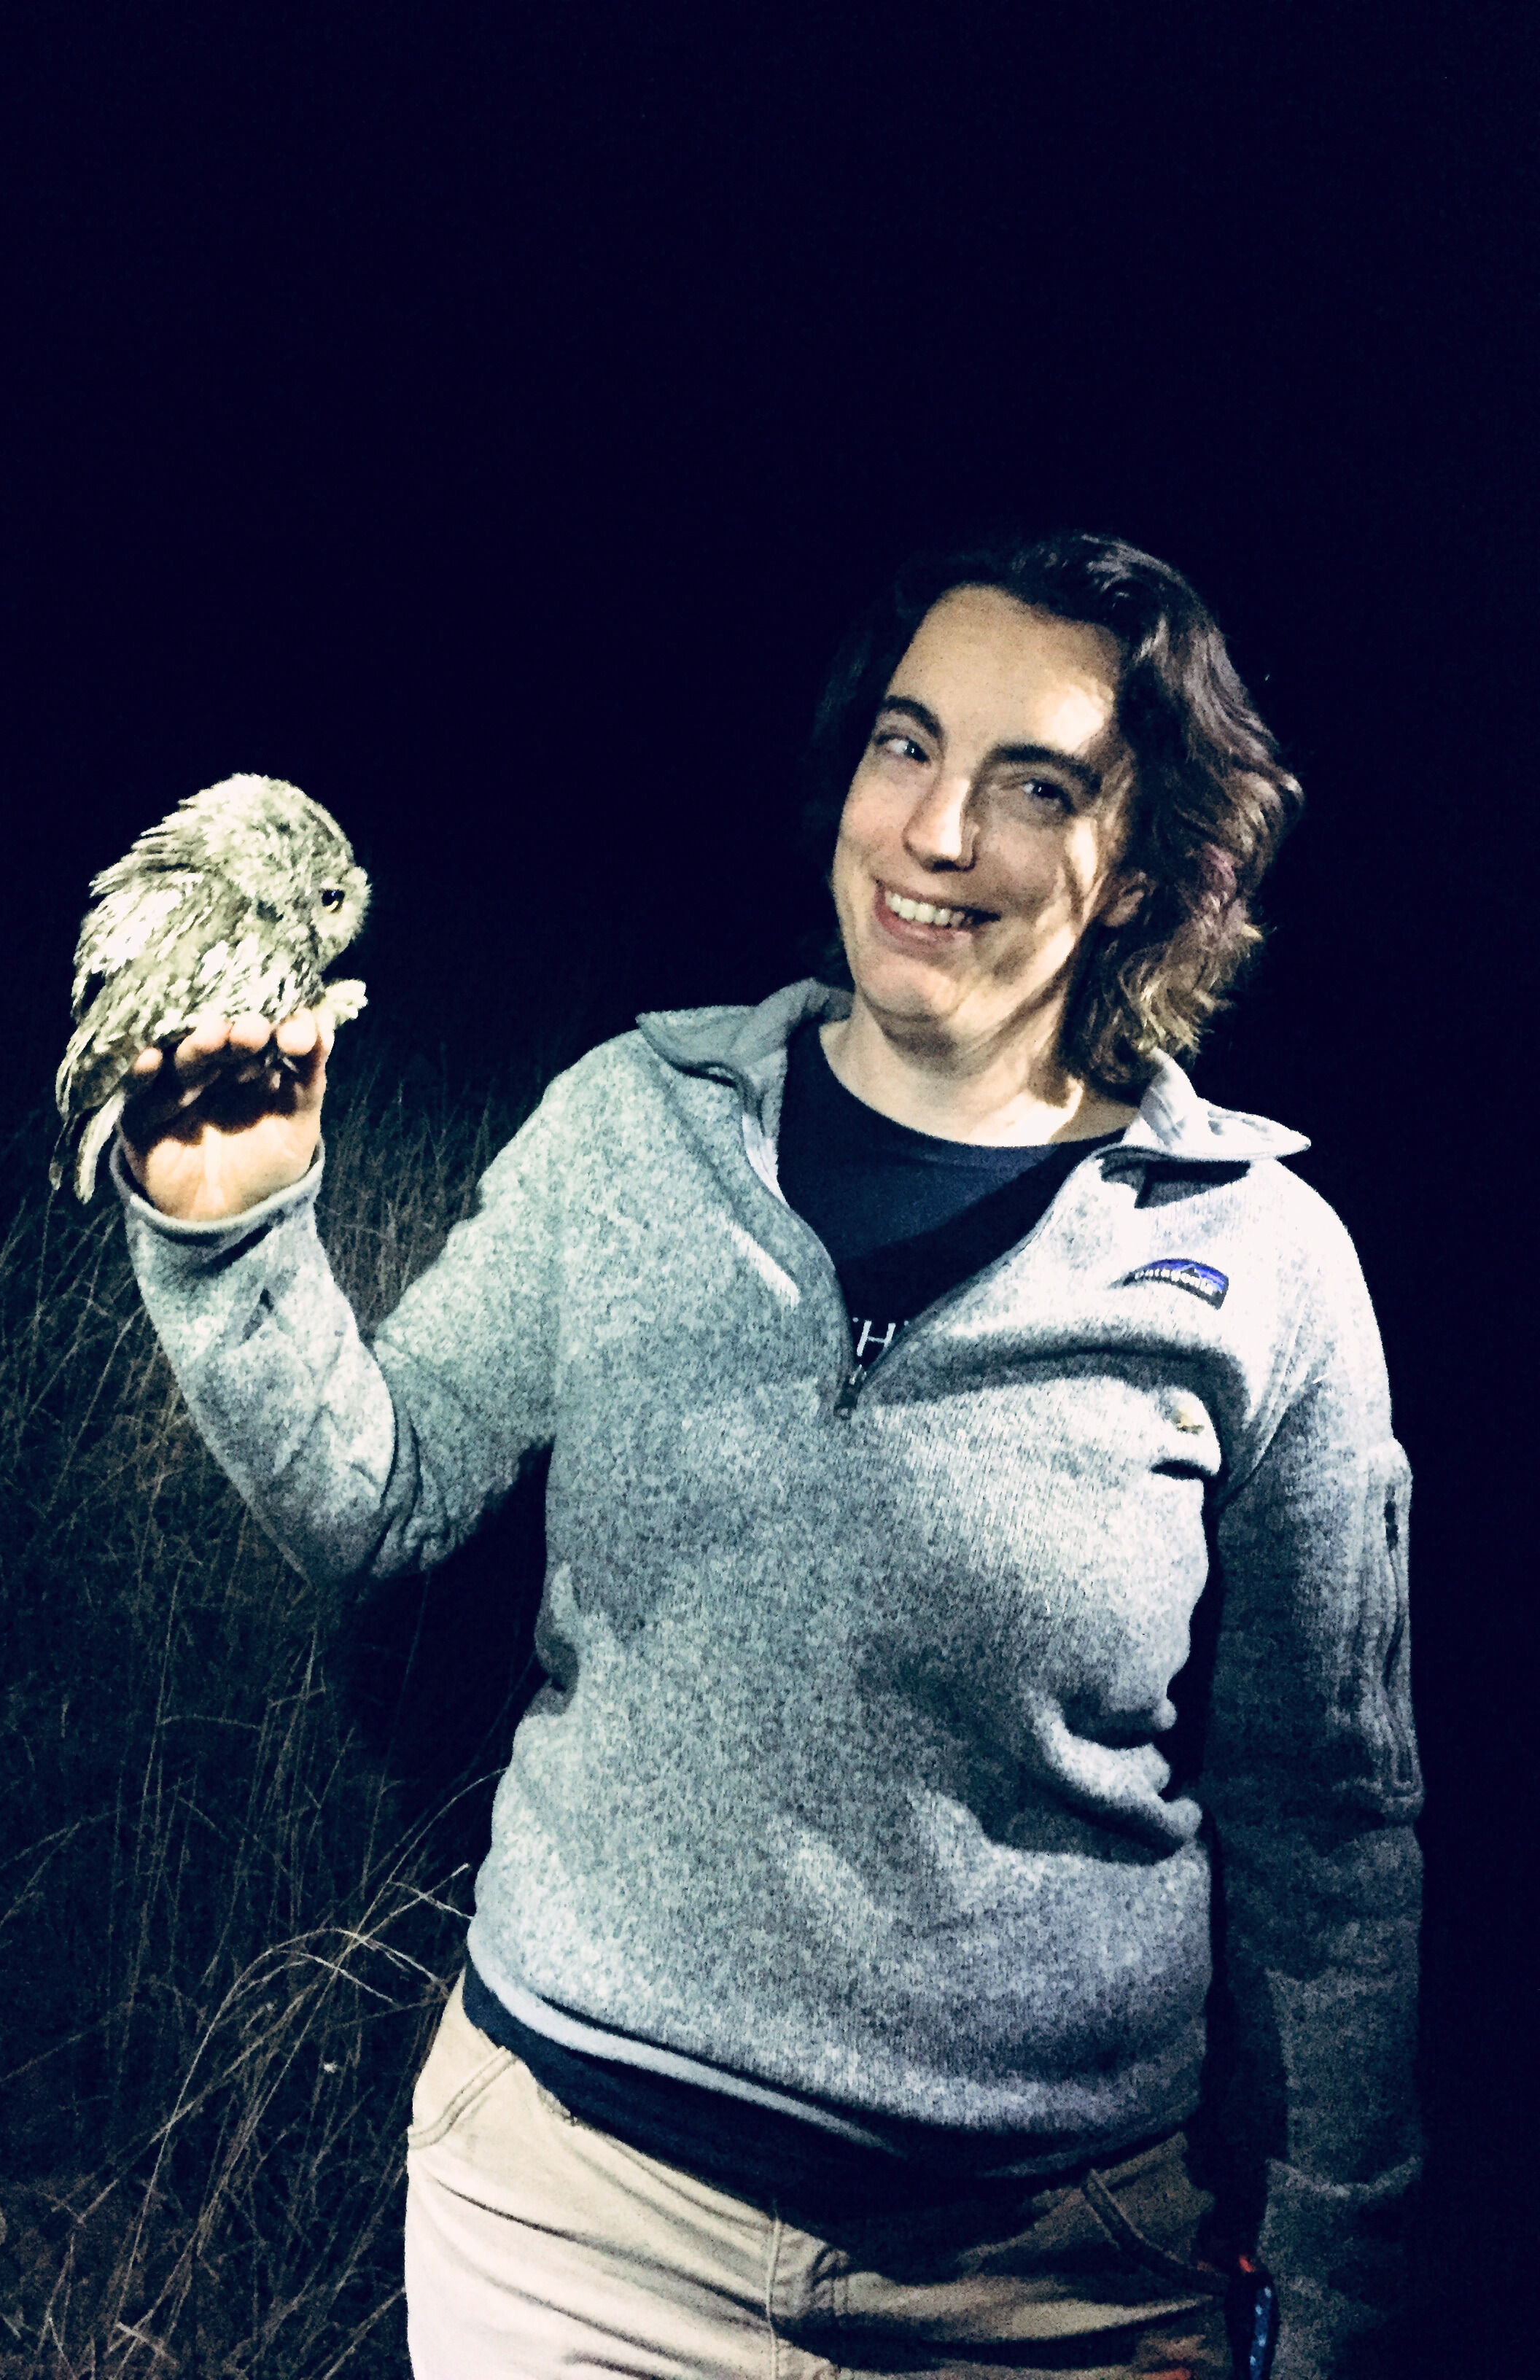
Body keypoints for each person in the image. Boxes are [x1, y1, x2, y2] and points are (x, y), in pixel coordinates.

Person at [112, 532, 1422, 2380]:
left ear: (1143, 870)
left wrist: (1339, 2292)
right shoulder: (633, 1129)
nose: (939, 833)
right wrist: (239, 1240)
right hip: (570, 2229)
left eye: (1034, 787)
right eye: (907, 748)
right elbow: (380, 1497)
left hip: (1044, 2288)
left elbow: (1333, 1830)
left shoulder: (1260, 1267)